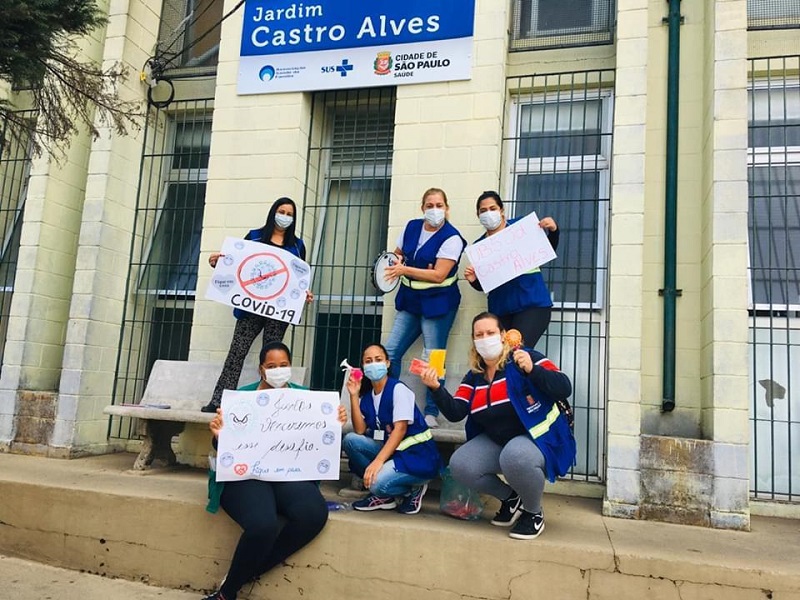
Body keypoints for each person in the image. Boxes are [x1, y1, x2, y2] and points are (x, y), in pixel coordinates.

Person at [204, 341, 347, 600]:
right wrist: (218, 435)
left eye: (283, 365)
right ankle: (227, 593)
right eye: (272, 366)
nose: (278, 370)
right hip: (245, 477)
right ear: (261, 369)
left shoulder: (306, 399)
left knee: (313, 514)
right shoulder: (241, 399)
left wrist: (333, 423)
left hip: (287, 475)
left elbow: (316, 440)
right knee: (263, 525)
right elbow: (227, 446)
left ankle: (246, 572)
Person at [420, 312, 575, 540]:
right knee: (461, 464)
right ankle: (511, 498)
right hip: (499, 441)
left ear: (503, 335)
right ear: (473, 341)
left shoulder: (524, 358)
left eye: (490, 333)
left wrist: (534, 370)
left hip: (537, 439)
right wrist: (435, 388)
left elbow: (564, 387)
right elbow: (456, 412)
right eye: (479, 335)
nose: (485, 338)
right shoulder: (474, 377)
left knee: (514, 456)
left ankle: (533, 512)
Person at [202, 197, 313, 412]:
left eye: (290, 214)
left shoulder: (298, 246)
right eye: (282, 212)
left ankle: (265, 404)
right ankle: (219, 402)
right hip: (250, 309)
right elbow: (235, 264)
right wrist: (218, 263)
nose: (285, 217)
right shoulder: (254, 237)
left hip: (278, 312)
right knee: (236, 353)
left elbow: (299, 279)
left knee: (271, 360)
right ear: (273, 212)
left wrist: (304, 293)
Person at [382, 187, 466, 428]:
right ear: (422, 208)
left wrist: (405, 269)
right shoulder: (411, 227)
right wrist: (396, 261)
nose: (434, 210)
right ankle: (389, 403)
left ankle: (431, 410)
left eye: (439, 205)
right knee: (391, 352)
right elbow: (398, 254)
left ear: (447, 209)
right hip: (410, 300)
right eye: (430, 205)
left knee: (434, 356)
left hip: (439, 303)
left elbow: (438, 275)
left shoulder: (452, 238)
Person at [342, 343, 441, 515]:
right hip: (393, 452)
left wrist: (377, 462)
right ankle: (387, 495)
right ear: (363, 367)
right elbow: (359, 430)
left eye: (378, 359)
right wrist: (353, 395)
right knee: (351, 441)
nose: (374, 364)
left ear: (387, 363)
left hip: (416, 455)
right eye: (368, 361)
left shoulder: (398, 389)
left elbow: (400, 429)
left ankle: (413, 488)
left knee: (375, 484)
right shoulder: (368, 396)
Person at [463, 190, 559, 349]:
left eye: (492, 208)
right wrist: (473, 281)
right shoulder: (480, 247)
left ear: (501, 210)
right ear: (478, 215)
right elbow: (485, 284)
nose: (488, 213)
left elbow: (546, 250)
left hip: (532, 304)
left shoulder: (521, 228)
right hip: (501, 310)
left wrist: (554, 231)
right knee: (502, 356)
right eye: (483, 210)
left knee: (518, 351)